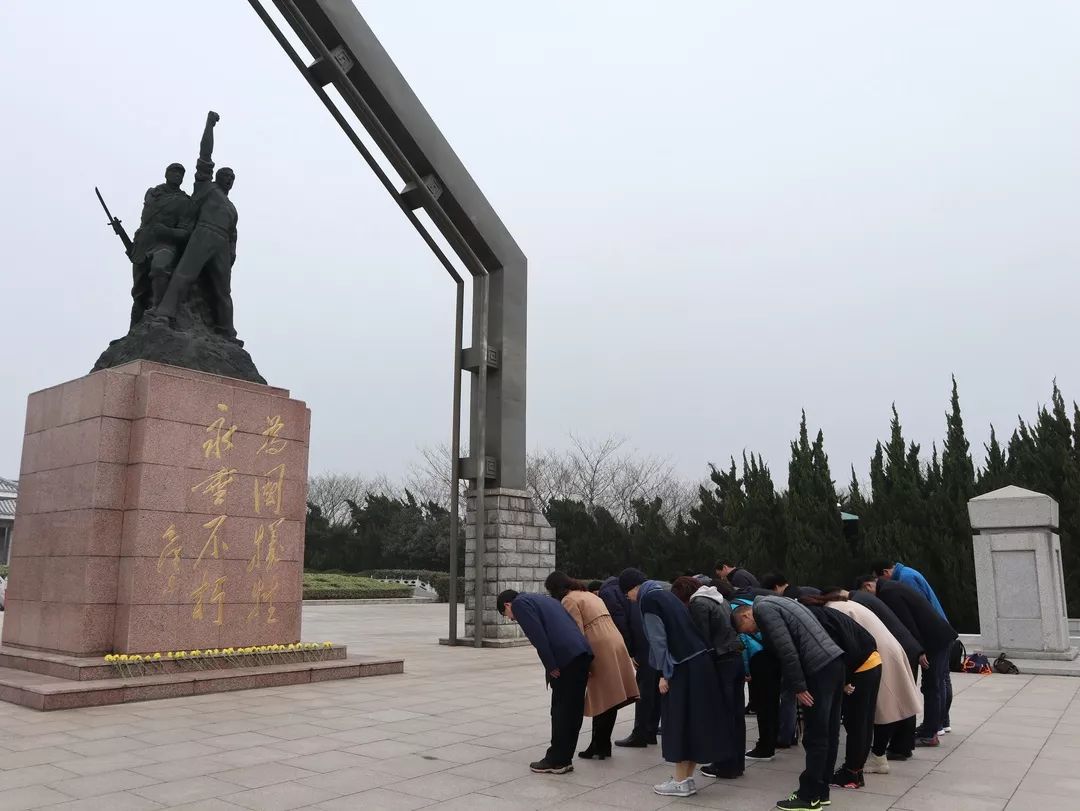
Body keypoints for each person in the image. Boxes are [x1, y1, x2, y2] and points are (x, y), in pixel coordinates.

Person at [620, 568, 731, 799]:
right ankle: (686, 779)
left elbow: (658, 640)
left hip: (682, 667)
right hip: (700, 663)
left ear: (633, 588)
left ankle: (680, 782)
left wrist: (663, 673)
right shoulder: (665, 594)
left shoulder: (648, 600)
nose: (628, 599)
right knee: (694, 722)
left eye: (626, 594)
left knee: (679, 722)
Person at [732, 595, 844, 811]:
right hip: (834, 662)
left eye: (747, 629)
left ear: (746, 614)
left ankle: (808, 796)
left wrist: (799, 686)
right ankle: (821, 791)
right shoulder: (778, 602)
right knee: (829, 731)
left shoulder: (763, 609)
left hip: (818, 669)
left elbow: (786, 649)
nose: (752, 633)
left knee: (815, 735)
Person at [816, 590, 922, 778]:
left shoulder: (831, 611)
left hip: (876, 654)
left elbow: (845, 643)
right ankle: (876, 755)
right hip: (886, 650)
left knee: (883, 710)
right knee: (887, 708)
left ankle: (877, 757)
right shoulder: (844, 605)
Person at [154, 110, 239, 339]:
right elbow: (205, 153)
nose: (229, 179)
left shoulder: (232, 209)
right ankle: (164, 313)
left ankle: (226, 331)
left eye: (233, 178)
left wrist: (231, 253)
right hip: (203, 233)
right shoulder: (206, 186)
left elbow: (233, 236)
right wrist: (209, 125)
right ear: (217, 177)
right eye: (226, 175)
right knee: (184, 274)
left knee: (223, 290)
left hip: (221, 242)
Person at [544, 573, 639, 760]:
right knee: (611, 697)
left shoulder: (569, 600)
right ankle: (602, 744)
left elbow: (575, 633)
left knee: (602, 698)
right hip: (614, 641)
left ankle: (599, 745)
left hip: (599, 645)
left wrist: (579, 662)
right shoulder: (588, 594)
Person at [497, 589, 593, 774]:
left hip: (565, 659)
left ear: (508, 605)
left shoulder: (520, 604)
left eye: (505, 614)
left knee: (561, 710)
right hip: (581, 653)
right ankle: (565, 758)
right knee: (573, 710)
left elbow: (538, 637)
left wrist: (551, 666)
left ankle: (556, 760)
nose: (510, 619)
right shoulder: (546, 599)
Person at [860, 577, 957, 747]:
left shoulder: (889, 594)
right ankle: (932, 726)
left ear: (868, 585)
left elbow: (908, 625)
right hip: (939, 636)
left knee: (932, 686)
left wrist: (919, 651)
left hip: (933, 641)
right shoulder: (893, 587)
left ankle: (930, 734)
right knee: (936, 684)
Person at [671, 576, 745, 780]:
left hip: (721, 661)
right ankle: (737, 763)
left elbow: (701, 639)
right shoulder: (719, 599)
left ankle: (725, 765)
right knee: (737, 714)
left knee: (723, 714)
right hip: (735, 656)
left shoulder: (698, 604)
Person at [128, 163, 190, 328]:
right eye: (174, 171)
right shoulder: (152, 194)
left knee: (159, 268)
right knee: (139, 292)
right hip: (142, 245)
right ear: (166, 174)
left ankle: (159, 310)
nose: (177, 175)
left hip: (166, 244)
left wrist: (166, 231)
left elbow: (185, 233)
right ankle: (134, 328)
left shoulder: (184, 202)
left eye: (181, 173)